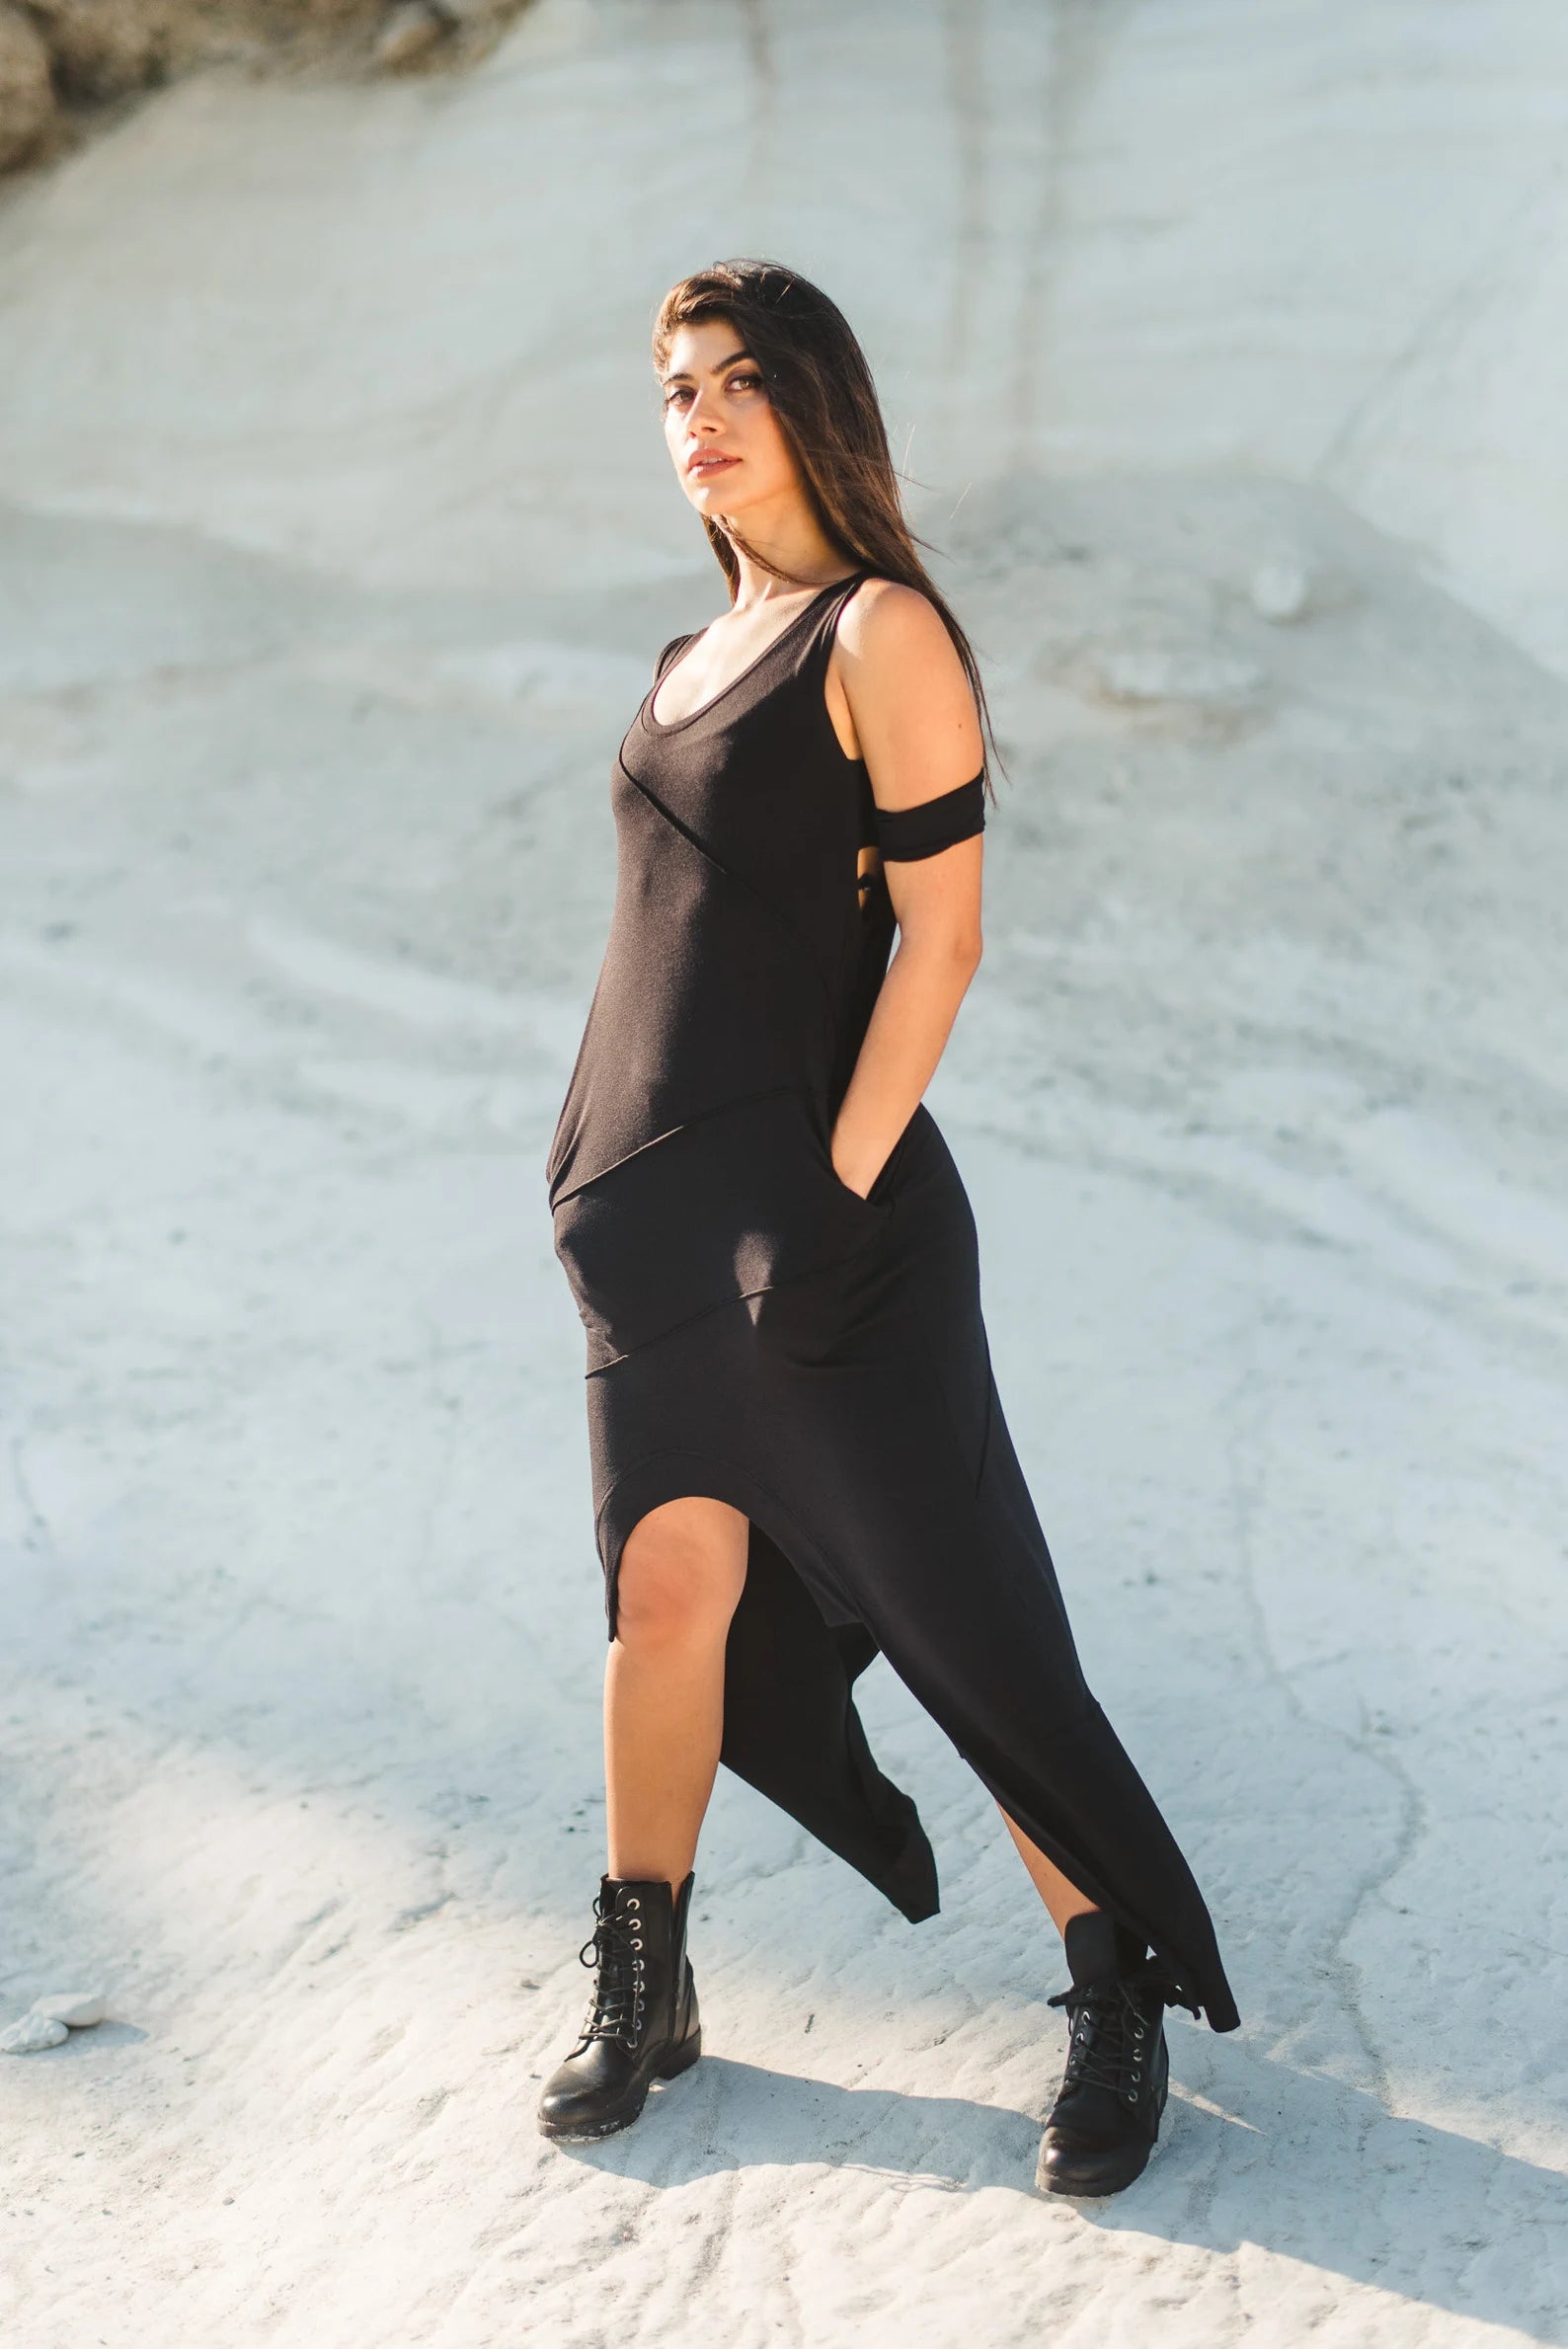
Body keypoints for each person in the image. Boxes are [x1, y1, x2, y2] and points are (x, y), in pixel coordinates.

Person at [537, 259, 1238, 2196]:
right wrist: (589, 1168)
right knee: (664, 1598)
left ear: (815, 402)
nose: (699, 416)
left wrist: (824, 1193)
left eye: (738, 380)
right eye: (675, 387)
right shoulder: (691, 651)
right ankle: (647, 1980)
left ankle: (1112, 1984)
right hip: (656, 1240)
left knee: (962, 1619)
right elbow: (659, 947)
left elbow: (942, 939)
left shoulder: (879, 630)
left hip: (833, 1241)